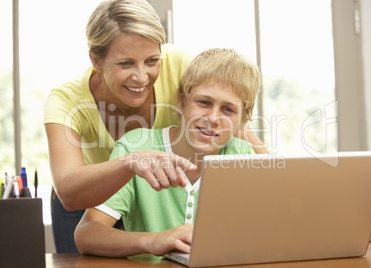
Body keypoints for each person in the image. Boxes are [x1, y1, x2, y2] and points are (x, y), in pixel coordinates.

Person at [44, 0, 267, 253]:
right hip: (87, 190)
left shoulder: (180, 64)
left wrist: (273, 171)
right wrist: (131, 163)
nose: (141, 77)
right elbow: (73, 202)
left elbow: (226, 98)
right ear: (96, 61)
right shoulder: (66, 101)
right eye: (126, 63)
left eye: (152, 60)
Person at [74, 47, 260, 257]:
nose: (213, 118)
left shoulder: (243, 156)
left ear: (242, 120)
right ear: (181, 101)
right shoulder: (136, 147)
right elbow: (86, 234)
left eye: (228, 110)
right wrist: (154, 240)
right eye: (204, 103)